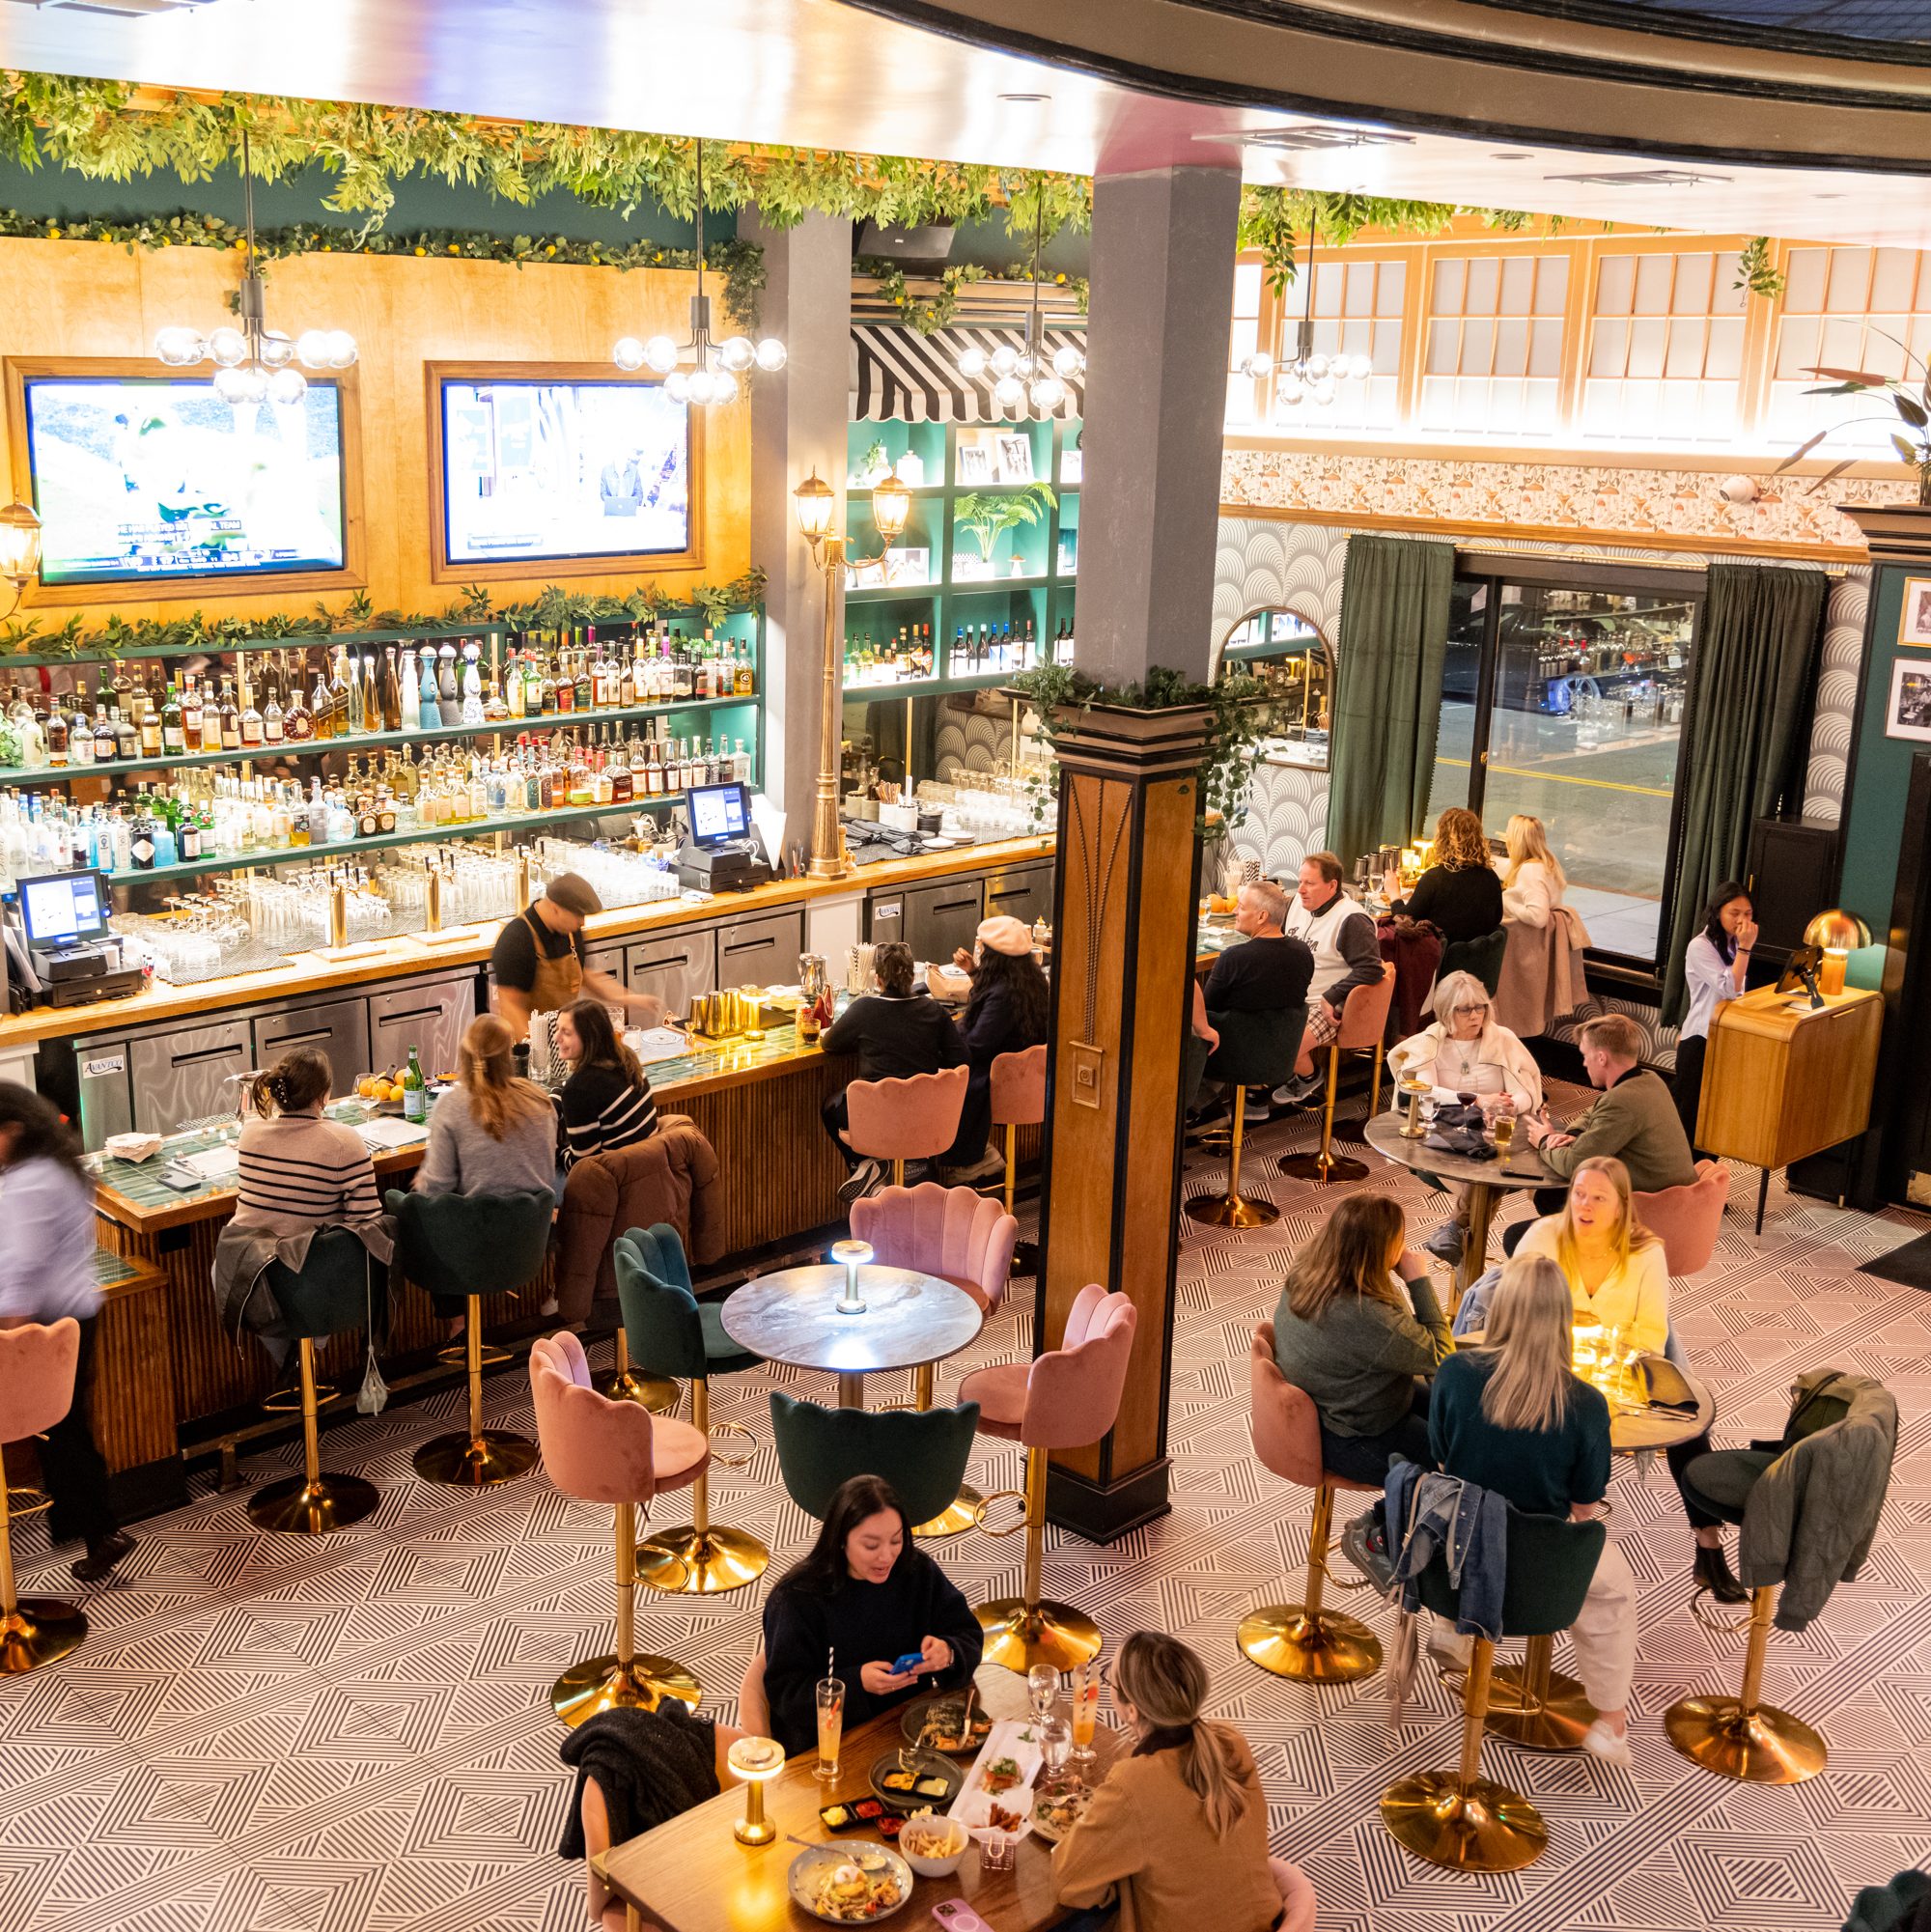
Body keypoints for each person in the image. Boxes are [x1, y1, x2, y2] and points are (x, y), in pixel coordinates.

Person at [1428, 1254, 1637, 1766]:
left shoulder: (1454, 1372)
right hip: (1538, 1569)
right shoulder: (1585, 1404)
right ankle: (1611, 1719)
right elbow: (1586, 1506)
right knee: (1614, 1593)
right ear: (1562, 1318)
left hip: (1453, 1554)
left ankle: (1455, 1626)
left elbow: (1438, 1459)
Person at [1049, 1631, 1285, 1932]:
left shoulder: (1133, 1783)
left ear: (1131, 1709)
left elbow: (1067, 1884)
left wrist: (1115, 1881)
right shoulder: (1230, 1741)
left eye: (1110, 1678)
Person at [0, 1083, 134, 1583]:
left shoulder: (29, 1182)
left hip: (41, 1326)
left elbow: (19, 1270)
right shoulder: (59, 1167)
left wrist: (8, 1342)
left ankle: (97, 1529)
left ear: (12, 1130)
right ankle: (99, 1531)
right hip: (73, 1317)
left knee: (59, 1431)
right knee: (64, 1429)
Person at [759, 1473, 983, 1758]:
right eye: (871, 1546)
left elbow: (968, 1633)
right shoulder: (796, 1599)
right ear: (840, 1540)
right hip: (832, 1745)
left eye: (896, 1540)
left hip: (912, 1729)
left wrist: (949, 1653)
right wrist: (855, 1683)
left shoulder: (917, 1572)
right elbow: (786, 1696)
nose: (887, 1557)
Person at [1271, 1193, 1451, 1483]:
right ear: (1380, 1251)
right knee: (1465, 1461)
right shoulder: (1367, 1315)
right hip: (1354, 1437)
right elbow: (1441, 1356)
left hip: (1332, 1405)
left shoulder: (1309, 1265)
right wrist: (1418, 1280)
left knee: (1465, 1418)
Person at [1389, 970, 1543, 1265]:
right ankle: (1458, 1237)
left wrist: (1507, 1105)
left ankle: (1456, 1237)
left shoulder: (1503, 1039)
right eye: (1465, 1009)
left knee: (1491, 1165)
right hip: (1445, 1134)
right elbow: (1426, 1092)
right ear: (1447, 1012)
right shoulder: (1430, 1043)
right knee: (1490, 1173)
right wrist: (1477, 1101)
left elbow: (1528, 1094)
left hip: (1493, 1133)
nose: (1476, 1016)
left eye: (1481, 1007)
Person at [1513, 1012, 1696, 1240]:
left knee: (1517, 1236)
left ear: (1601, 1058)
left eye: (1585, 1055)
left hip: (1647, 1214)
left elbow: (1573, 1164)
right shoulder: (1650, 1079)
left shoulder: (1622, 1101)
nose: (1583, 1062)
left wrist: (1543, 1140)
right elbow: (1593, 1112)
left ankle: (1582, 1261)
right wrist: (1574, 1134)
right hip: (1674, 1206)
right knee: (1550, 1197)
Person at [822, 940, 967, 1203]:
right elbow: (961, 1060)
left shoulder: (864, 1009)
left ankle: (865, 1165)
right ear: (913, 977)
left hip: (877, 1117)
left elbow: (829, 1043)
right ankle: (887, 1166)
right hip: (925, 1115)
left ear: (878, 979)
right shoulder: (934, 1012)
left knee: (831, 1108)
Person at [1188, 879, 1313, 1120]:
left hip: (1232, 1057)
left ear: (1261, 916)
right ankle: (1202, 1107)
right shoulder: (1303, 952)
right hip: (1280, 1056)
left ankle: (1198, 1105)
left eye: (1242, 907)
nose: (1234, 910)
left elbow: (1206, 1007)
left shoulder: (1235, 957)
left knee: (1191, 1028)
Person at [937, 914, 1050, 1181]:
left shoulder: (1003, 993)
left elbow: (977, 1045)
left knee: (943, 1076)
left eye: (983, 950)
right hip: (1028, 1077)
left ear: (994, 957)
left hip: (1000, 1082)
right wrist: (973, 972)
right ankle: (977, 1151)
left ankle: (972, 1157)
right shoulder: (1029, 979)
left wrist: (944, 1040)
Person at [490, 872, 662, 1047]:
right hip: (530, 1046)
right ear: (555, 908)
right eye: (578, 915)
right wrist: (539, 1053)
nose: (583, 923)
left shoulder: (570, 931)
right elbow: (511, 1007)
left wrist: (632, 998)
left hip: (563, 1037)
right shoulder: (517, 939)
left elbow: (586, 975)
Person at [232, 1047, 386, 1241]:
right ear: (323, 1095)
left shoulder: (249, 1133)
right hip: (310, 1266)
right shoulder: (343, 1142)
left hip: (247, 1264)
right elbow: (366, 1223)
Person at [1273, 851, 1383, 1107]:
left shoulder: (1352, 919)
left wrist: (1331, 995)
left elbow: (1372, 968)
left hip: (1323, 1005)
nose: (1300, 890)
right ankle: (1253, 1097)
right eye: (1300, 881)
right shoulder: (1294, 905)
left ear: (1332, 885)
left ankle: (1310, 1076)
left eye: (1309, 883)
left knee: (1283, 1047)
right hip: (1289, 998)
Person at [412, 1013, 555, 1197]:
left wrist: (422, 1182)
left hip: (475, 1224)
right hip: (534, 1223)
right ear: (508, 1055)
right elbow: (546, 1174)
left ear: (464, 1052)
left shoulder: (451, 1105)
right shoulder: (539, 1099)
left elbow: (438, 1187)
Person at [1673, 881, 1756, 1154]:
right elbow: (1730, 988)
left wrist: (1741, 948)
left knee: (1716, 1118)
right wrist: (1745, 949)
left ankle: (1707, 1184)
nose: (1742, 920)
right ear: (1717, 912)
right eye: (1735, 913)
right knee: (1690, 1118)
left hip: (1724, 1038)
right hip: (1700, 1039)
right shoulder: (1700, 946)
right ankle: (1681, 1186)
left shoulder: (1733, 944)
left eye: (1748, 914)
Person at [555, 998, 659, 1171]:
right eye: (557, 1029)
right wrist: (557, 1095)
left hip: (615, 1181)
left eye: (566, 1032)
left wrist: (556, 1150)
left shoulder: (579, 1089)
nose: (556, 1037)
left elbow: (583, 1167)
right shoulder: (625, 1058)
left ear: (589, 1037)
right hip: (648, 1169)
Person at [1383, 806, 1504, 944]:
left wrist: (1394, 894)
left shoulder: (1435, 878)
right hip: (1479, 962)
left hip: (1440, 960)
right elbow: (1497, 918)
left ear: (1442, 839)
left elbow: (1404, 920)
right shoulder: (1491, 877)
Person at [1500, 813, 1566, 927]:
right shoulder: (1546, 864)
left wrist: (1504, 902)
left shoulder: (1531, 870)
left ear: (1516, 842)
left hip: (1521, 939)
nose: (1506, 841)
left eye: (1508, 836)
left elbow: (1537, 918)